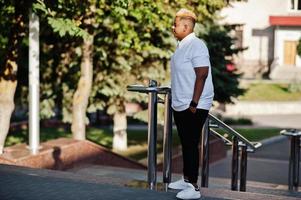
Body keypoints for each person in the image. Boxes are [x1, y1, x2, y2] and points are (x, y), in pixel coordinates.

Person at [168, 8, 214, 200]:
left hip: (194, 104)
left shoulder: (197, 45)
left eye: (176, 25)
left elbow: (202, 74)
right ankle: (187, 179)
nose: (172, 27)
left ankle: (194, 188)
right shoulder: (182, 46)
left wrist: (194, 103)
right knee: (186, 143)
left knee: (190, 144)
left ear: (186, 27)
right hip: (181, 103)